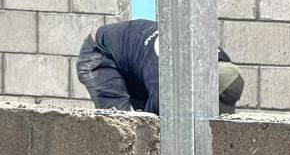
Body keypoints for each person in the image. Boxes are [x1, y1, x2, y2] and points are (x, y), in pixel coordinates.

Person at [76, 19, 244, 115]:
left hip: (139, 62)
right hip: (100, 54)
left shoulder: (217, 59)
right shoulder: (164, 78)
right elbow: (153, 124)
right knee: (123, 123)